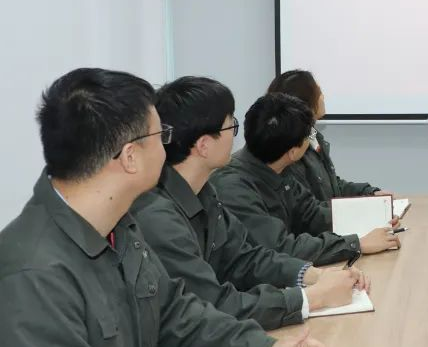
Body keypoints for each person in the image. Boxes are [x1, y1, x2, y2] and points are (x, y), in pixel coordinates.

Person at [0, 68, 333, 347]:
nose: (169, 145)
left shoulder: (117, 225)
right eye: (161, 135)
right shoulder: (31, 272)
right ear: (130, 157)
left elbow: (175, 313)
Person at [132, 76, 369, 331]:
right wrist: (311, 297)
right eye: (230, 126)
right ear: (204, 145)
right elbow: (212, 304)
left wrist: (314, 275)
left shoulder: (204, 192)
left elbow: (246, 258)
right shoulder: (158, 217)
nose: (236, 137)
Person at [212, 92, 399, 265]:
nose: (311, 140)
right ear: (293, 152)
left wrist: (375, 216)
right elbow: (281, 248)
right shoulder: (232, 186)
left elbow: (313, 215)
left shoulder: (277, 164)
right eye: (308, 136)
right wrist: (355, 244)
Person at [268, 69, 391, 202]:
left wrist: (370, 193)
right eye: (319, 92)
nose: (323, 97)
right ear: (305, 102)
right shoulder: (291, 152)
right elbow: (307, 209)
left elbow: (333, 187)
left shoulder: (312, 136)